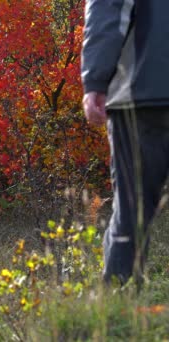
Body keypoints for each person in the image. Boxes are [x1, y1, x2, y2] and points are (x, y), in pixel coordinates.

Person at [81, 0, 169, 285]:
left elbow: (108, 12)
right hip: (142, 94)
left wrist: (95, 81)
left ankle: (121, 309)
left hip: (141, 93)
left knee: (133, 207)